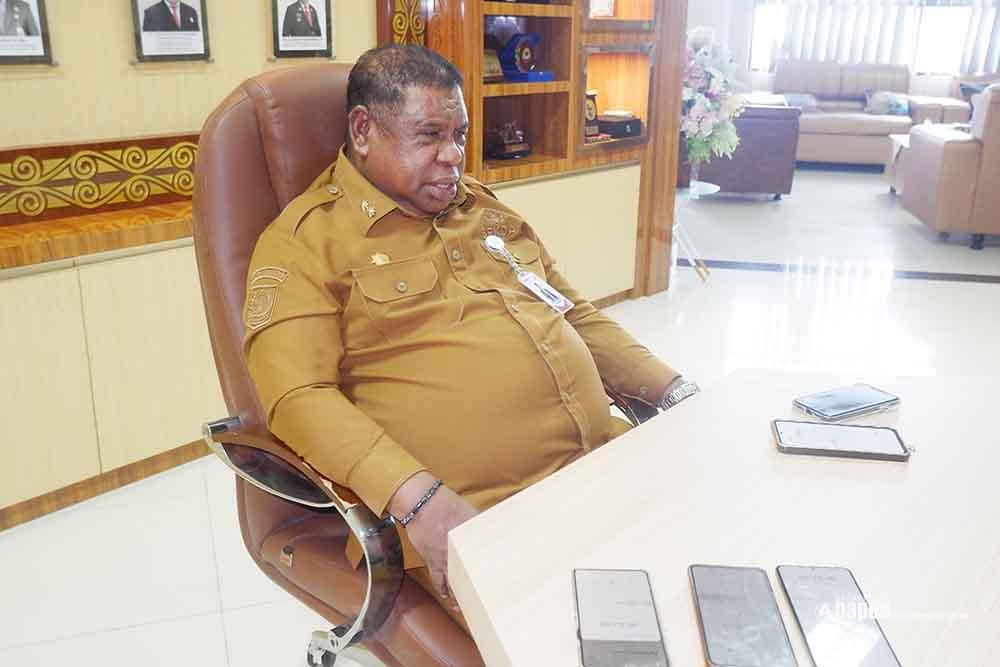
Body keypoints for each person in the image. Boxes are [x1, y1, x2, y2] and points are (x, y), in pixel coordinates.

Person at [243, 44, 699, 631]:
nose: (453, 155)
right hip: (482, 519)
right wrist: (419, 501)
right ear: (362, 130)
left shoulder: (481, 210)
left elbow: (575, 315)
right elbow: (297, 398)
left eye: (459, 134)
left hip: (602, 472)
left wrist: (675, 390)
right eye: (429, 136)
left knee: (711, 589)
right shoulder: (306, 243)